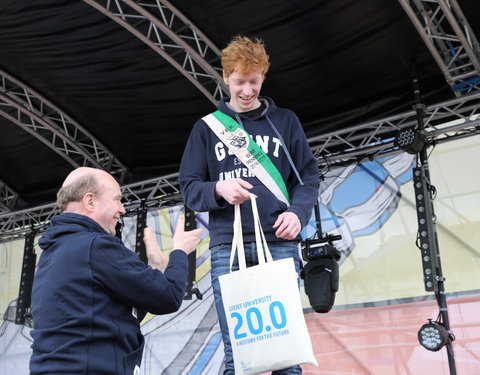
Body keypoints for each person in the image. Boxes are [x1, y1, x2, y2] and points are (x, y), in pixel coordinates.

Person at [179, 35, 319, 374]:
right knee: (239, 355)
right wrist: (219, 189)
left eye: (254, 81)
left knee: (287, 354)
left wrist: (298, 214)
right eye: (240, 81)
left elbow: (308, 177)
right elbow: (189, 188)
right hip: (229, 246)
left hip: (279, 242)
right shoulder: (207, 129)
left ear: (263, 78)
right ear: (226, 77)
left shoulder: (284, 121)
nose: (247, 90)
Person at [29, 167, 201, 375]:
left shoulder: (52, 254)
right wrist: (180, 251)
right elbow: (168, 297)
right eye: (117, 200)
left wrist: (156, 268)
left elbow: (114, 315)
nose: (122, 209)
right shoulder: (96, 246)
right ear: (90, 201)